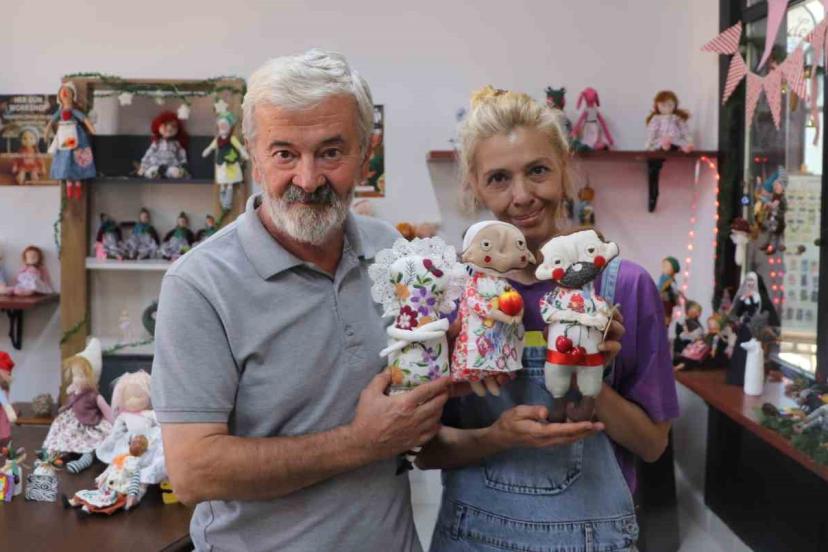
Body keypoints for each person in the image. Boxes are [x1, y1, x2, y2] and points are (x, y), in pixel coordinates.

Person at [151, 49, 450, 552]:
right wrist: (360, 442)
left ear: (367, 152)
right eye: (284, 154)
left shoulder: (395, 254)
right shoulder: (200, 285)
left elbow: (419, 411)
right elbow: (193, 472)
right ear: (253, 154)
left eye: (331, 152)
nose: (308, 180)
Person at [417, 86, 679, 551]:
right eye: (498, 178)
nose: (522, 196)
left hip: (591, 539)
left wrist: (590, 381)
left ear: (563, 168)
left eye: (537, 171)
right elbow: (423, 449)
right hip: (472, 537)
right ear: (474, 186)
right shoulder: (449, 294)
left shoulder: (625, 287)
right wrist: (496, 437)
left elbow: (653, 445)